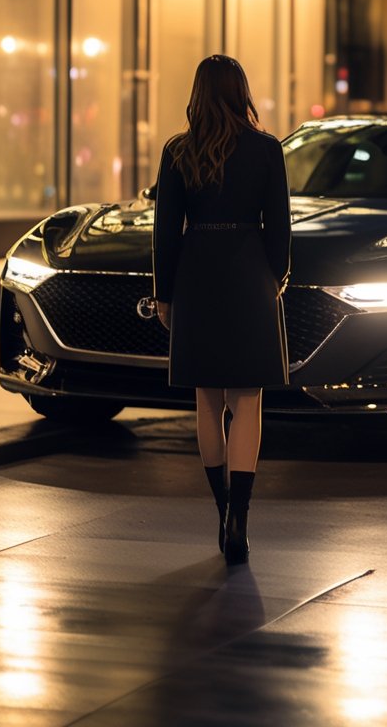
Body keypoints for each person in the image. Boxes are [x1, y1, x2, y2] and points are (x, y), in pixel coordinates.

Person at [152, 55, 291, 565]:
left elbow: (165, 233)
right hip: (249, 274)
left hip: (196, 277)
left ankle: (221, 510)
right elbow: (280, 227)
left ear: (198, 93)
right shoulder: (267, 149)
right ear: (241, 92)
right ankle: (242, 519)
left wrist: (165, 293)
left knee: (207, 398)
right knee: (247, 399)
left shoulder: (178, 152)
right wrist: (273, 278)